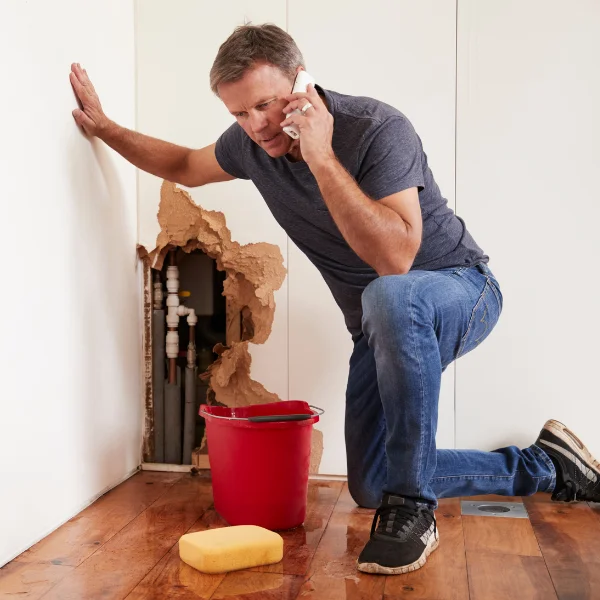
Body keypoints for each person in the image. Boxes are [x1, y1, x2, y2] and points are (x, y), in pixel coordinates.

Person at [70, 24, 600, 576]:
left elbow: (396, 258)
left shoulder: (377, 129)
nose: (255, 127)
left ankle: (414, 510)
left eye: (266, 105)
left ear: (302, 82)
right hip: (377, 322)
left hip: (459, 289)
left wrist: (321, 156)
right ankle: (544, 468)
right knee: (371, 482)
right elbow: (183, 166)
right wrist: (104, 127)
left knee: (391, 295)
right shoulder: (252, 145)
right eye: (238, 115)